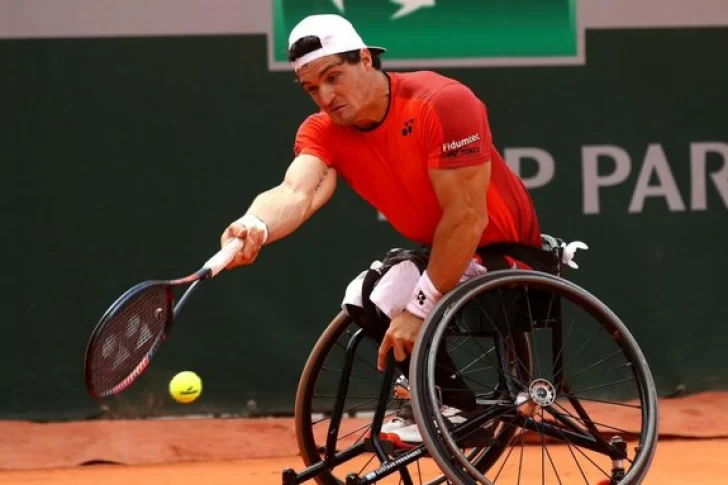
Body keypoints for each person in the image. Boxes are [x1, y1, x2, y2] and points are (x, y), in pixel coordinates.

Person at [219, 14, 543, 446]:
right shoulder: (324, 131)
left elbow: (467, 218)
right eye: (312, 88)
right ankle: (453, 403)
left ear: (367, 59)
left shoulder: (442, 102)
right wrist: (254, 224)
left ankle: (451, 407)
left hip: (502, 254)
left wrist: (417, 310)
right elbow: (296, 191)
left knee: (394, 294)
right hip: (448, 255)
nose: (326, 97)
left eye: (334, 76)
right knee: (364, 295)